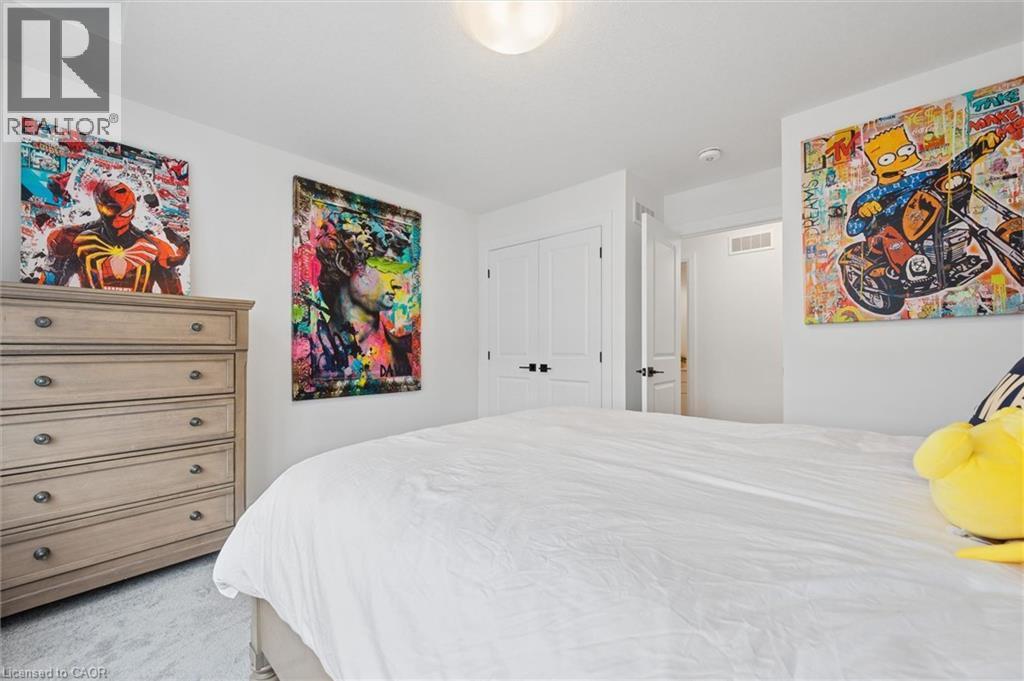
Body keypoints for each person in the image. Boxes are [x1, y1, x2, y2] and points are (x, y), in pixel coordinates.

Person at [314, 214, 415, 382]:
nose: (398, 283)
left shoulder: (405, 353)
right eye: (387, 264)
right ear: (345, 263)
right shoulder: (312, 350)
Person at [41, 177, 188, 293]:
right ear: (100, 206)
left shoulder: (157, 248)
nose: (119, 217)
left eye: (124, 212)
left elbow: (175, 299)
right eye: (112, 209)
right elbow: (48, 289)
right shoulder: (69, 239)